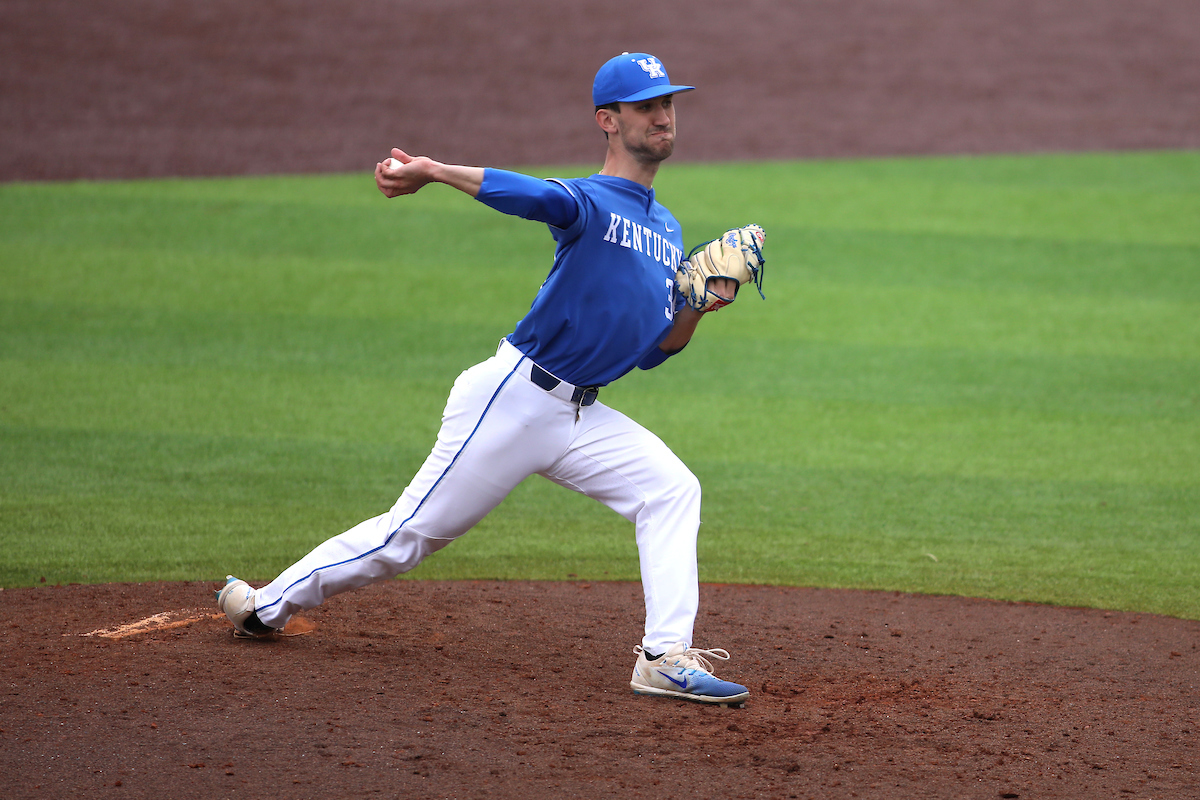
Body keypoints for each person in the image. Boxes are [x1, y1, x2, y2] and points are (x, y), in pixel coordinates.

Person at [217, 52, 752, 705]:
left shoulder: (666, 231)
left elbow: (652, 351)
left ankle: (664, 657)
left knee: (671, 489)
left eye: (668, 103)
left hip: (580, 416)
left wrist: (698, 305)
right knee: (406, 538)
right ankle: (264, 606)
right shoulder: (590, 201)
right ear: (608, 121)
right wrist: (436, 172)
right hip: (513, 401)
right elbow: (535, 196)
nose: (663, 115)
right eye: (646, 106)